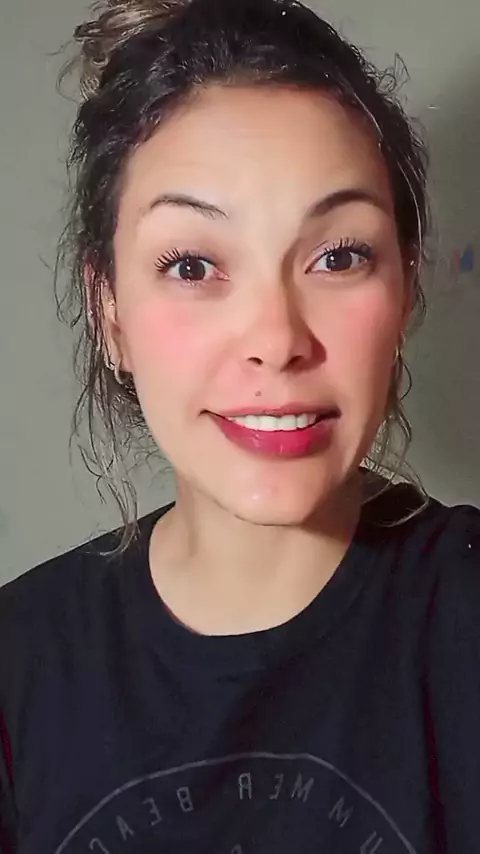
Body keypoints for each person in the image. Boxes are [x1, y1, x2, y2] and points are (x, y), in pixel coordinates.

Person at [1, 0, 479, 850]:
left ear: (405, 288)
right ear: (109, 312)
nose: (277, 339)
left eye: (339, 256)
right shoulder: (19, 666)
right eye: (192, 264)